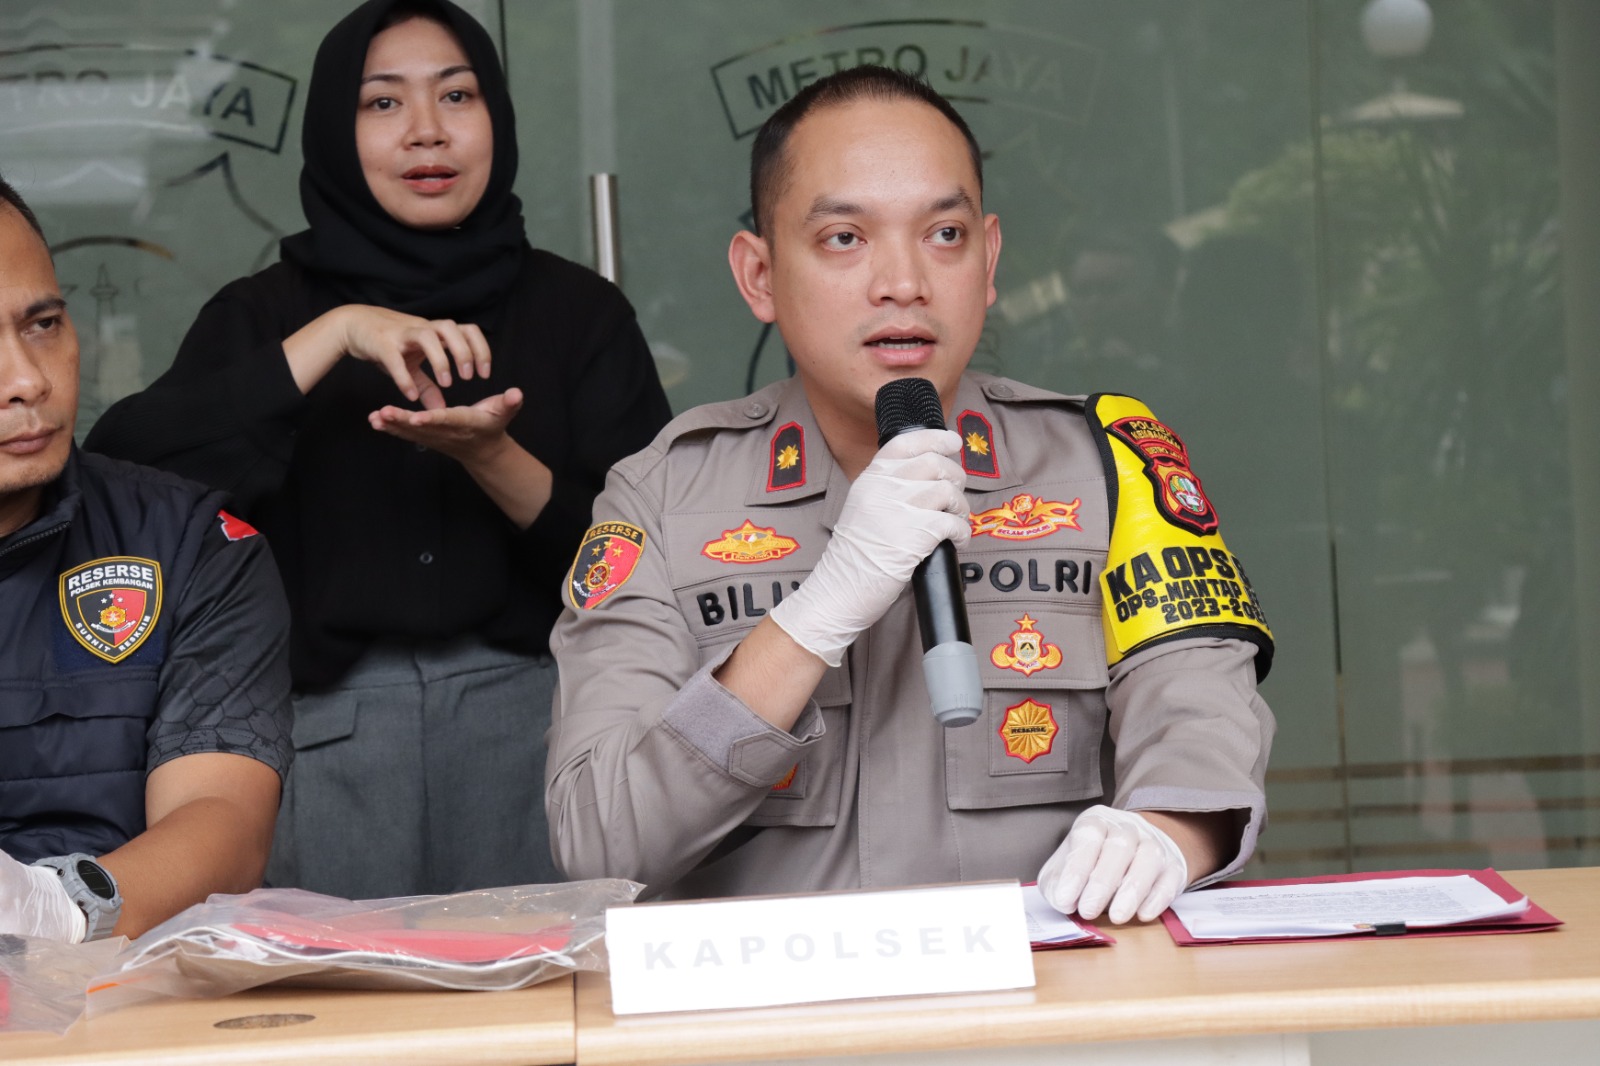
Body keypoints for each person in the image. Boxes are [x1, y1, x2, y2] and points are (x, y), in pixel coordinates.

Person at [546, 66, 1276, 924]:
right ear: (760, 275)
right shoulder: (664, 496)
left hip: (1044, 995)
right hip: (779, 1001)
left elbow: (1197, 724)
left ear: (989, 259)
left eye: (945, 234)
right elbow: (599, 840)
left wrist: (1165, 834)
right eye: (844, 238)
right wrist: (815, 616)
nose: (903, 282)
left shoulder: (1108, 469)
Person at [86, 0, 670, 898]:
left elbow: (645, 570)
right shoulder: (264, 317)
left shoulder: (580, 313)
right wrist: (337, 333)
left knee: (541, 987)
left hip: (540, 733)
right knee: (335, 990)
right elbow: (124, 485)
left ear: (497, 116)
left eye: (457, 95)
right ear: (334, 127)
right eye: (383, 102)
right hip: (314, 747)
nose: (427, 130)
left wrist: (491, 457)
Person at [0, 176, 293, 942]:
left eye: (43, 324)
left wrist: (62, 910)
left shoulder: (191, 544)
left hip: (130, 979)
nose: (28, 381)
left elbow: (222, 817)